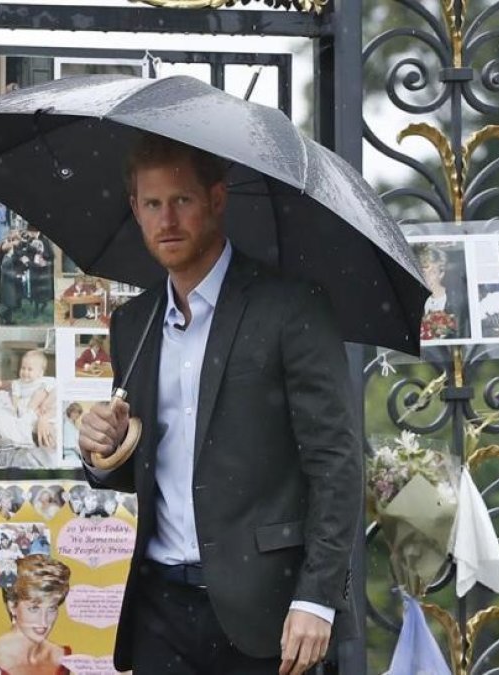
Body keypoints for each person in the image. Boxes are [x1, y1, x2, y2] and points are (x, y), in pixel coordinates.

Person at [77, 134, 360, 674]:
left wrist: (317, 596)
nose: (168, 220)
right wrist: (101, 452)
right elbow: (145, 464)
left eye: (181, 200)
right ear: (135, 209)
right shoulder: (134, 323)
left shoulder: (289, 306)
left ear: (216, 198)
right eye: (152, 204)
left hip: (266, 612)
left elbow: (337, 463)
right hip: (159, 608)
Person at [0, 350, 58, 468]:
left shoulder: (3, 394)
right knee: (52, 459)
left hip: (21, 447)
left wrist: (44, 419)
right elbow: (11, 433)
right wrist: (33, 412)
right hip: (1, 452)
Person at [0, 555, 72, 675]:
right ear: (12, 606)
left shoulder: (60, 657)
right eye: (34, 608)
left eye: (51, 608)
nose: (44, 622)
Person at [417, 245, 469, 339]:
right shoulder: (416, 300)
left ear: (441, 274)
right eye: (424, 272)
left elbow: (460, 334)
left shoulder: (456, 301)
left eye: (432, 272)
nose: (427, 277)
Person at [10, 349, 56, 417]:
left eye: (30, 369)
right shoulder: (17, 383)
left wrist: (45, 404)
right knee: (21, 404)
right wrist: (13, 412)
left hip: (42, 405)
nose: (25, 372)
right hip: (27, 406)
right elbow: (15, 399)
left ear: (40, 373)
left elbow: (55, 388)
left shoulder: (44, 381)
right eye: (23, 368)